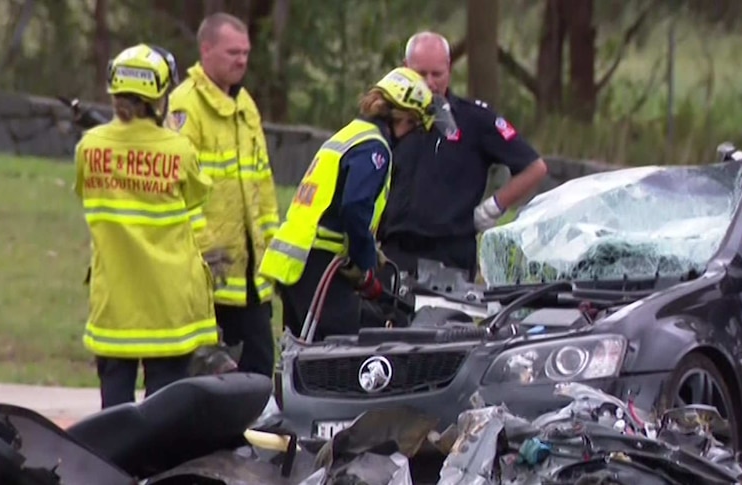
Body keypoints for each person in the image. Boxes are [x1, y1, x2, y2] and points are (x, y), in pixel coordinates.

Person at [258, 67, 457, 341]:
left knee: (305, 355)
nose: (413, 135)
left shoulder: (352, 134)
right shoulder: (374, 147)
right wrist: (366, 263)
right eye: (415, 126)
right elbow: (355, 207)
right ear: (403, 118)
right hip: (317, 263)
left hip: (300, 264)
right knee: (346, 352)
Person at [74, 43, 218, 409]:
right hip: (167, 309)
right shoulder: (179, 150)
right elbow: (198, 196)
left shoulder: (89, 146)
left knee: (114, 418)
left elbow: (83, 193)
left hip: (113, 306)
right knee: (162, 419)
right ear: (161, 96)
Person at [379, 31, 549, 281]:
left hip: (449, 257)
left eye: (436, 74)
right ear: (404, 68)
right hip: (394, 253)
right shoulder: (389, 120)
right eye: (420, 73)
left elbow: (534, 167)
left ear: (449, 69)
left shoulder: (473, 119)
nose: (429, 83)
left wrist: (492, 209)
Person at [166, 13, 280, 377]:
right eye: (233, 52)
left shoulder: (246, 106)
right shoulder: (185, 105)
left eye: (246, 52)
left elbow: (263, 183)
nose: (242, 60)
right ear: (206, 50)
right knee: (210, 379)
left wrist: (273, 247)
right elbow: (178, 188)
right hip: (210, 274)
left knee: (261, 368)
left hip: (252, 273)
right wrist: (203, 248)